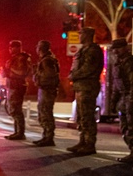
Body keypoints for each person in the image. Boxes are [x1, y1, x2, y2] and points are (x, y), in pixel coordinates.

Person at [68, 26, 104, 155]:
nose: (79, 36)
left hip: (88, 87)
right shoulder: (83, 50)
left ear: (87, 35)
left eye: (81, 34)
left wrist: (74, 75)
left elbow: (89, 68)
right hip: (80, 87)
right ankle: (82, 141)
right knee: (81, 116)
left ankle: (89, 144)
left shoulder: (93, 50)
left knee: (88, 116)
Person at [31, 40, 60, 147]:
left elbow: (49, 74)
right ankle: (46, 136)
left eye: (38, 47)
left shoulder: (47, 60)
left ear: (40, 49)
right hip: (46, 89)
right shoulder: (47, 59)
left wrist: (37, 73)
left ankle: (48, 137)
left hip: (47, 90)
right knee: (44, 112)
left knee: (45, 112)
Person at [3, 40, 32, 140]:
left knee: (16, 110)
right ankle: (17, 132)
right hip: (12, 86)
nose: (10, 49)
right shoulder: (14, 58)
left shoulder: (22, 58)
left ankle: (20, 133)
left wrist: (10, 69)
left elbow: (22, 72)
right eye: (10, 47)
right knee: (13, 109)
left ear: (18, 47)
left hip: (18, 86)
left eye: (12, 47)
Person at [110, 38, 133, 162]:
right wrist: (113, 101)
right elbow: (116, 85)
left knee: (131, 126)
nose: (116, 51)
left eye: (118, 48)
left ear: (125, 48)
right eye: (114, 49)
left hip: (130, 97)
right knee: (124, 127)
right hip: (123, 98)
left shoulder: (129, 62)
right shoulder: (118, 63)